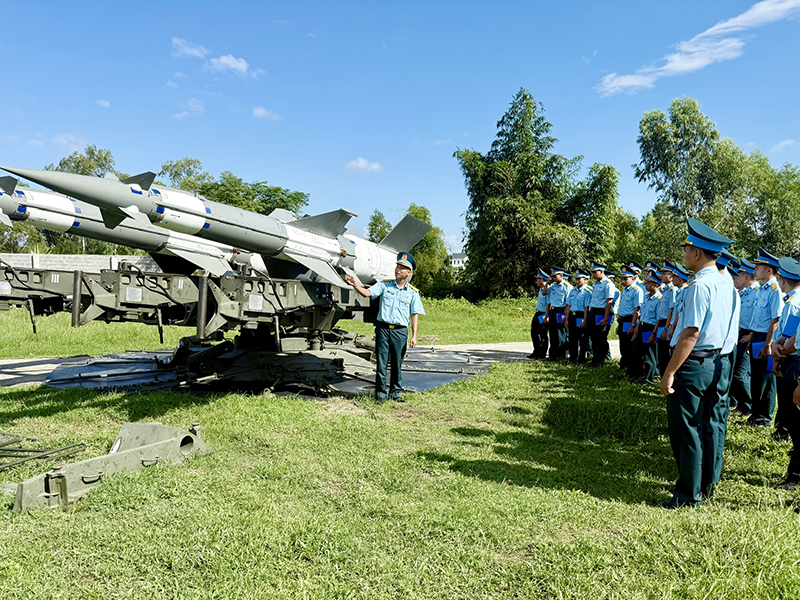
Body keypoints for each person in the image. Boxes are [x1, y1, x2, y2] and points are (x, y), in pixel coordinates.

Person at [659, 219, 734, 508]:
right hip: (719, 361)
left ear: (698, 253)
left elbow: (690, 334)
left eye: (687, 249)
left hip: (695, 364)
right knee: (711, 424)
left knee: (686, 427)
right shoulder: (725, 282)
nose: (685, 254)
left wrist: (669, 373)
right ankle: (707, 484)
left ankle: (688, 494)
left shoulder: (699, 287)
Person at [345, 252, 425, 403]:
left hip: (400, 332)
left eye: (402, 267)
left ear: (409, 273)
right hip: (383, 329)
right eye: (397, 266)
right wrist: (355, 284)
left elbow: (414, 314)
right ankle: (380, 395)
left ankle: (395, 393)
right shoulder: (384, 285)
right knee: (381, 363)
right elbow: (368, 293)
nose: (397, 269)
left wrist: (414, 335)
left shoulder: (412, 293)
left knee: (397, 364)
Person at [741, 248, 782, 428]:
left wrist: (768, 344)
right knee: (756, 377)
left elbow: (776, 319)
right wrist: (751, 337)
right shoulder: (761, 290)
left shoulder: (775, 289)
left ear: (769, 270)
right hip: (757, 336)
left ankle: (763, 418)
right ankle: (755, 414)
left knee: (766, 380)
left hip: (767, 338)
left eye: (758, 266)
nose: (754, 270)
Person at [769, 257, 800, 443]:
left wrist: (778, 354)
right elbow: (787, 333)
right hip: (789, 354)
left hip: (793, 359)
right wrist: (776, 343)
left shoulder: (794, 302)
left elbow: (792, 339)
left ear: (782, 280)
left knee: (792, 407)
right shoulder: (791, 301)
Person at [730, 258, 759, 415]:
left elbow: (761, 317)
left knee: (741, 374)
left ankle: (748, 406)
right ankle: (741, 405)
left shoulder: (757, 293)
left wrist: (751, 335)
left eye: (738, 275)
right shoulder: (743, 293)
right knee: (735, 371)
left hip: (748, 335)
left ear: (746, 276)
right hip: (739, 333)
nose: (735, 279)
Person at [631, 272, 662, 383]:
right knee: (637, 352)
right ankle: (638, 375)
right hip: (642, 326)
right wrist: (637, 327)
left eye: (649, 283)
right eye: (646, 282)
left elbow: (659, 318)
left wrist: (654, 334)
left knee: (649, 355)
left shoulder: (659, 299)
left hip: (651, 328)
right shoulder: (646, 297)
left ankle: (649, 378)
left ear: (656, 285)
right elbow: (643, 314)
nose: (646, 285)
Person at [617, 266, 644, 372]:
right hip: (623, 320)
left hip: (630, 320)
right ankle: (624, 365)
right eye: (622, 278)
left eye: (626, 278)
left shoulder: (637, 290)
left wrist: (633, 325)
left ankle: (631, 367)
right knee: (623, 344)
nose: (623, 281)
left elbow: (637, 309)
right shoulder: (625, 290)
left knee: (630, 344)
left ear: (633, 278)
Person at [588, 263, 616, 367]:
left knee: (601, 337)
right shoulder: (595, 284)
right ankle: (595, 359)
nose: (593, 274)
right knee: (593, 336)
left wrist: (605, 317)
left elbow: (609, 301)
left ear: (601, 271)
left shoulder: (608, 284)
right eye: (592, 272)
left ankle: (600, 360)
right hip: (593, 311)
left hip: (602, 312)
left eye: (595, 272)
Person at [565, 269, 592, 363]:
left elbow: (586, 308)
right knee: (572, 338)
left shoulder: (587, 292)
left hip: (581, 316)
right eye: (576, 279)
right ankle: (572, 357)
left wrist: (585, 321)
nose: (577, 281)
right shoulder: (573, 291)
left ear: (585, 279)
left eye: (579, 279)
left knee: (583, 338)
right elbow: (568, 305)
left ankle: (581, 358)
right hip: (573, 316)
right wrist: (567, 318)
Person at [545, 267, 572, 360]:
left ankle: (561, 355)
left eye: (555, 276)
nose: (553, 278)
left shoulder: (567, 287)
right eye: (552, 276)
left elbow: (568, 304)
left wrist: (566, 316)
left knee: (560, 334)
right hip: (553, 311)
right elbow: (544, 293)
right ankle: (553, 355)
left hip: (561, 311)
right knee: (552, 333)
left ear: (561, 275)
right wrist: (547, 284)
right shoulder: (552, 286)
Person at [657, 262, 678, 376]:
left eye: (664, 273)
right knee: (661, 353)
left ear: (671, 275)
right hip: (661, 323)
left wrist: (667, 328)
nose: (662, 275)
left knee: (666, 354)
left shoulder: (673, 290)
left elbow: (672, 310)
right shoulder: (665, 290)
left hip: (667, 324)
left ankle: (667, 378)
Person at [529, 270, 550, 359]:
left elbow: (549, 304)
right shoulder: (541, 289)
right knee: (534, 332)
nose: (537, 281)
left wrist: (547, 316)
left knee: (542, 334)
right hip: (538, 313)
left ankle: (542, 353)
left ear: (543, 280)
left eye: (539, 279)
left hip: (544, 314)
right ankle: (536, 350)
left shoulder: (548, 290)